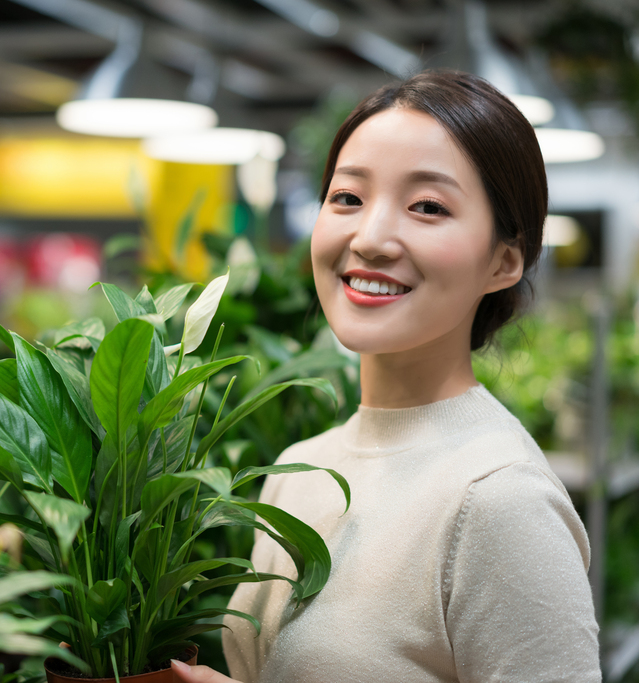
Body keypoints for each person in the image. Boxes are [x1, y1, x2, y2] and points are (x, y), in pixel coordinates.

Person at [171, 70, 601, 683]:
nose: (370, 238)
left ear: (505, 260)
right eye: (348, 198)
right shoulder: (297, 472)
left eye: (427, 207)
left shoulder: (500, 499)